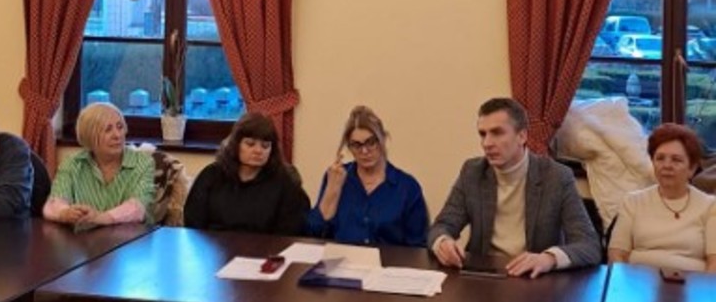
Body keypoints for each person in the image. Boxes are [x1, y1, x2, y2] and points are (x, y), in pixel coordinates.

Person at [428, 97, 601, 278]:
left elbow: (589, 245)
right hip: (483, 276)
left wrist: (548, 258)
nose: (487, 143)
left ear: (522, 136)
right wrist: (443, 243)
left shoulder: (556, 177)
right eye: (483, 134)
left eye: (497, 133)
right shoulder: (472, 172)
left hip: (532, 279)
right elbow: (441, 226)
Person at [307, 106, 429, 246]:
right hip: (342, 258)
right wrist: (331, 192)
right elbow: (312, 235)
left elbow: (418, 246)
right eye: (356, 145)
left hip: (390, 259)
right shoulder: (336, 178)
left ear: (382, 140)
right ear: (349, 147)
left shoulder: (407, 188)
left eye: (371, 142)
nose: (364, 151)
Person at [608, 123, 716, 273]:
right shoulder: (633, 202)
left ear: (691, 168)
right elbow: (616, 255)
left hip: (691, 284)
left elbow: (714, 263)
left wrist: (702, 287)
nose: (667, 165)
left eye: (676, 160)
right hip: (638, 283)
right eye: (660, 158)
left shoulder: (710, 206)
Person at [184, 112, 310, 234]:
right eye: (250, 144)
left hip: (265, 246)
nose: (258, 151)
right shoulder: (211, 175)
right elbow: (193, 223)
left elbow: (290, 231)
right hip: (214, 246)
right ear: (236, 145)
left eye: (265, 146)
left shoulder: (285, 182)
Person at [43, 102, 154, 227]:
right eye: (108, 130)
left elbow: (138, 208)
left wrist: (101, 218)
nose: (117, 135)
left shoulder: (142, 162)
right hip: (84, 237)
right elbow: (53, 204)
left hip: (131, 237)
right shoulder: (72, 164)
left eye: (120, 127)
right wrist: (66, 213)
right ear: (89, 135)